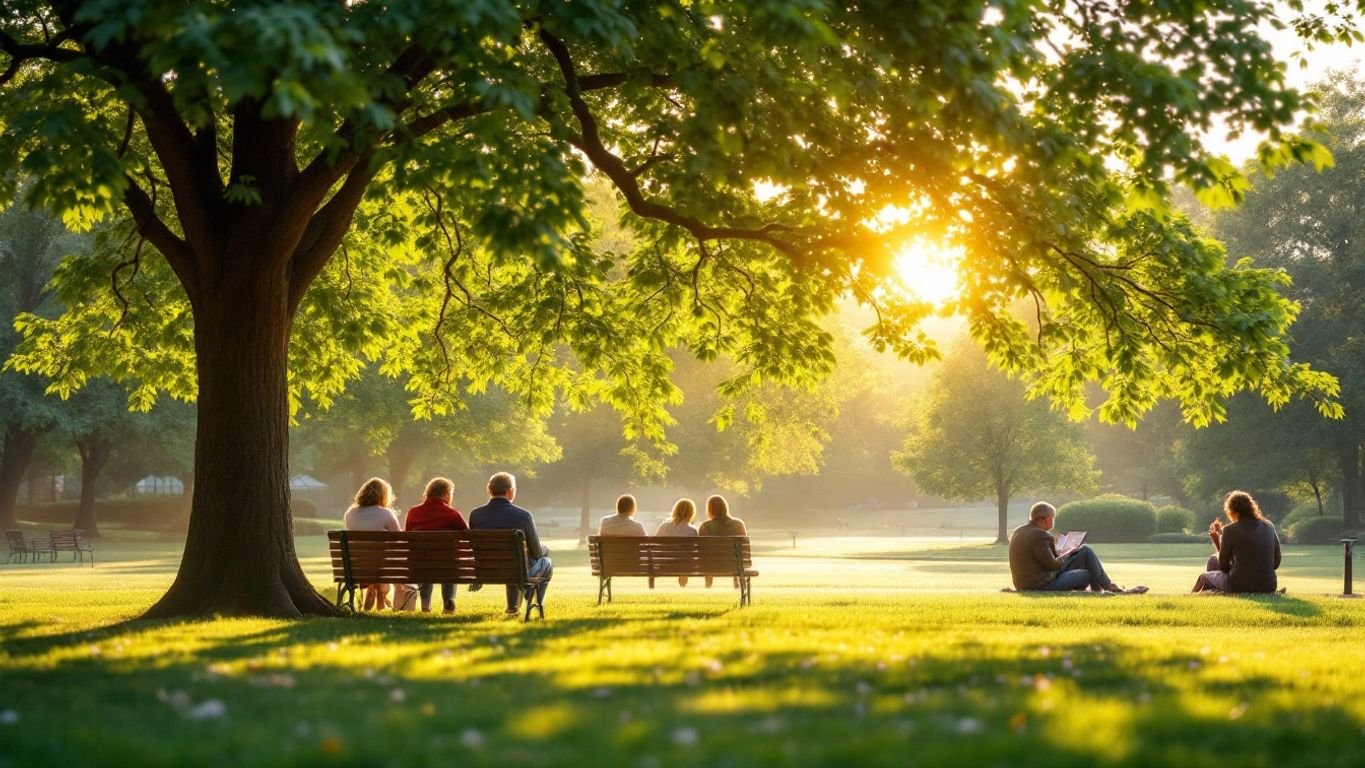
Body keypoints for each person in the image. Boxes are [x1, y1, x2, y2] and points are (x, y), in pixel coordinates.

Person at [1008, 501, 1145, 594]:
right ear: (1046, 519)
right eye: (1052, 517)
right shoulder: (1040, 536)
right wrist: (1067, 553)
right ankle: (1107, 588)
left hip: (1024, 583)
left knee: (1084, 551)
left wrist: (1061, 552)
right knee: (1089, 572)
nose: (1053, 521)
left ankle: (1105, 589)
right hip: (1041, 585)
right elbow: (1053, 565)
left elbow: (1040, 560)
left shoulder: (1019, 531)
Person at [468, 472, 553, 617]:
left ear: (489, 491)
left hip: (485, 570)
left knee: (516, 560)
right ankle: (533, 601)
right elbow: (536, 552)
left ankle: (513, 607)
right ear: (510, 492)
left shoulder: (475, 515)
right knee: (546, 562)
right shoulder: (523, 515)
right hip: (516, 570)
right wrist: (545, 550)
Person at [1193, 490, 1282, 593]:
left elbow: (1224, 567)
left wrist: (1218, 541)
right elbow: (1276, 562)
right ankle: (1213, 593)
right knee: (1213, 560)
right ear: (1252, 507)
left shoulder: (1230, 530)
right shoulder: (1269, 526)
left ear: (1231, 510)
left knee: (1203, 577)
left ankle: (1189, 599)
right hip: (1269, 585)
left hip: (1240, 585)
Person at [405, 476, 469, 613]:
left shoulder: (413, 512)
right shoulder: (452, 514)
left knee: (425, 559)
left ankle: (425, 604)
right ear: (446, 494)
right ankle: (448, 602)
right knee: (449, 562)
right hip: (447, 565)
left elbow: (408, 537)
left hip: (419, 565)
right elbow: (467, 535)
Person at [344, 477, 401, 611]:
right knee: (384, 559)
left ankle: (371, 587)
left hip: (356, 566)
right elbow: (399, 539)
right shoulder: (387, 513)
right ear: (384, 495)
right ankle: (381, 594)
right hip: (380, 565)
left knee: (373, 558)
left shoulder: (350, 513)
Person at [698, 494, 747, 588]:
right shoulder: (738, 524)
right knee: (736, 557)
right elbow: (744, 548)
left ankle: (708, 586)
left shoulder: (705, 526)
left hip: (712, 565)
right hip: (735, 564)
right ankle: (737, 582)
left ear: (709, 509)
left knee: (707, 558)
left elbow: (702, 551)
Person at [654, 498, 700, 586]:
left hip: (664, 564)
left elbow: (656, 545)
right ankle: (683, 583)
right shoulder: (692, 530)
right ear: (691, 513)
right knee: (686, 559)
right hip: (683, 566)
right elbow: (692, 551)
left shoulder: (664, 526)